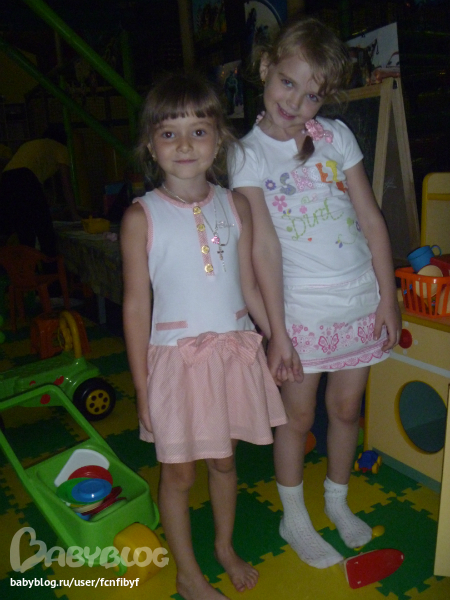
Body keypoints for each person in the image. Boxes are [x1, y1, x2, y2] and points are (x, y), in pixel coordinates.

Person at [228, 17, 402, 569]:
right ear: (265, 68)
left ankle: (337, 500)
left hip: (359, 300)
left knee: (347, 410)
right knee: (296, 420)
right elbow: (261, 248)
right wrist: (276, 332)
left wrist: (389, 296)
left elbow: (370, 219)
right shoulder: (246, 154)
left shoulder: (336, 137)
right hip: (301, 312)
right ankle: (294, 516)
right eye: (288, 83)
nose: (296, 102)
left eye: (312, 94)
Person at [120, 73, 289, 600]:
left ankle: (223, 546)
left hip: (233, 356)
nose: (185, 145)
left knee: (224, 461)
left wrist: (277, 337)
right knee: (178, 476)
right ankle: (188, 574)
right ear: (151, 146)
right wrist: (143, 388)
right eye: (169, 134)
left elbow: (248, 285)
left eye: (198, 131)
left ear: (219, 141)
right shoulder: (140, 217)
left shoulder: (237, 206)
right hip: (176, 363)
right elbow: (136, 307)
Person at [0, 124, 78, 256]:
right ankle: (50, 265)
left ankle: (27, 266)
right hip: (25, 177)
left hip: (6, 179)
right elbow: (66, 185)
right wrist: (74, 213)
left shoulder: (31, 145)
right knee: (44, 229)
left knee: (24, 228)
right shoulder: (60, 148)